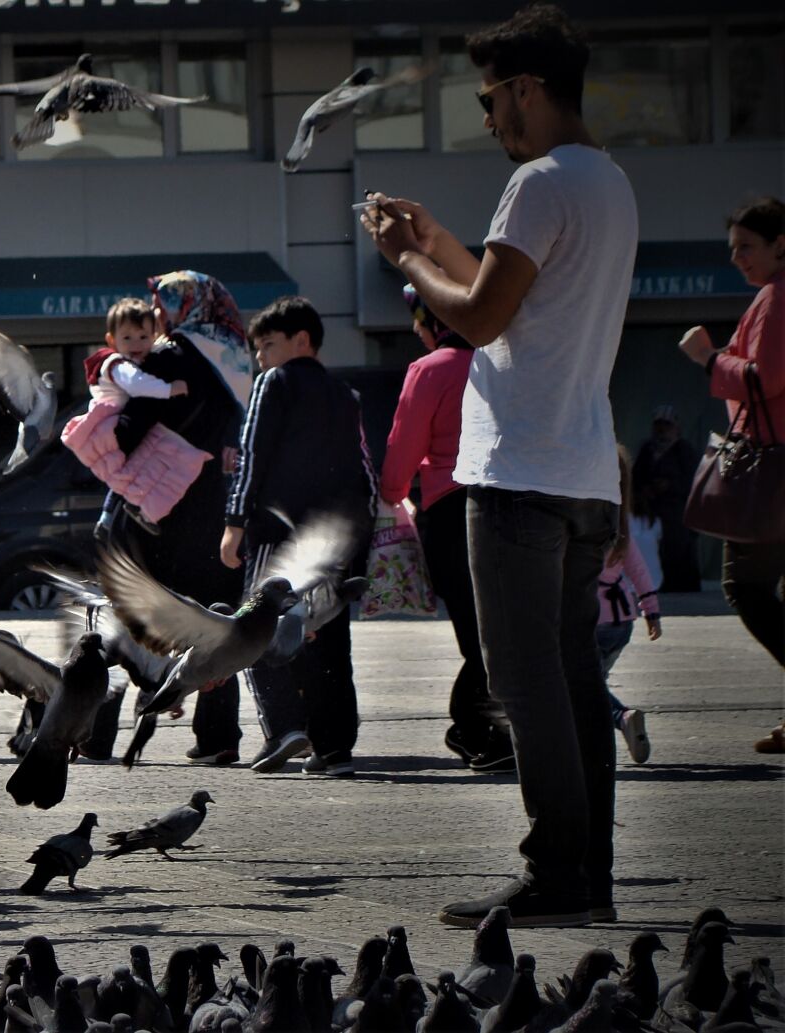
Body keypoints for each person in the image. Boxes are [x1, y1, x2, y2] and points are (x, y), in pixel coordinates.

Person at [362, 3, 637, 927]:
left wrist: (406, 259)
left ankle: (555, 874)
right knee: (570, 681)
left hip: (519, 471)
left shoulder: (539, 183)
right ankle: (587, 877)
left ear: (525, 89)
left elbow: (477, 318)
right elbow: (509, 293)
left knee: (523, 683)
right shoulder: (606, 181)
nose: (487, 120)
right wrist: (437, 239)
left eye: (488, 99)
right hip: (582, 471)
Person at [220, 296, 376, 776]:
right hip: (332, 543)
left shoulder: (273, 383)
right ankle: (335, 747)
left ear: (301, 341)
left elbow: (252, 455)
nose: (260, 357)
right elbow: (363, 473)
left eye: (267, 344)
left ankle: (285, 728)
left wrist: (234, 523)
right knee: (329, 641)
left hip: (278, 539)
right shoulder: (345, 395)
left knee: (258, 632)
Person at [379, 285, 510, 772]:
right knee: (503, 626)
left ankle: (479, 729)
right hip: (512, 501)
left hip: (452, 511)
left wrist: (392, 495)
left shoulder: (430, 370)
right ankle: (483, 728)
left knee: (474, 632)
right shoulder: (502, 361)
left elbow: (402, 452)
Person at [130, 270, 257, 765]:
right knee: (217, 621)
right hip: (226, 506)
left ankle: (97, 735)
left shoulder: (171, 353)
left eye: (163, 304)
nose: (158, 314)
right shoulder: (237, 354)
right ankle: (218, 735)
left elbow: (136, 423)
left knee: (131, 612)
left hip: (171, 502)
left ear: (184, 306)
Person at [674, 196, 785, 751]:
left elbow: (766, 379)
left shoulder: (775, 297)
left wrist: (709, 357)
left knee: (747, 587)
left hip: (772, 467)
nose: (738, 258)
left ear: (780, 244)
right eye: (733, 249)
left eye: (747, 247)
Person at [59, 297, 195, 537]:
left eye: (143, 337)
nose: (136, 344)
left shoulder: (131, 360)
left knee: (128, 471)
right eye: (127, 338)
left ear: (153, 336)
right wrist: (170, 389)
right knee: (137, 468)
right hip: (110, 424)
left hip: (109, 423)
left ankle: (112, 515)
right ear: (112, 341)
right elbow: (137, 385)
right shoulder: (118, 364)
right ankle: (129, 511)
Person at [596, 447, 660, 766]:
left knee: (580, 685)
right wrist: (652, 610)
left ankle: (622, 717)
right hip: (622, 623)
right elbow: (640, 571)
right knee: (593, 681)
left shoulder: (585, 525)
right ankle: (610, 723)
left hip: (591, 620)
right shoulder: (621, 527)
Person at [631, 407, 700, 591]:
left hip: (677, 511)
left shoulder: (683, 450)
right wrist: (645, 490)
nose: (662, 429)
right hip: (650, 511)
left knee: (677, 548)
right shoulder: (647, 449)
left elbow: (692, 480)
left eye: (667, 425)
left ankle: (680, 586)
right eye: (658, 425)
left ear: (676, 427)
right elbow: (636, 476)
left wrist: (669, 485)